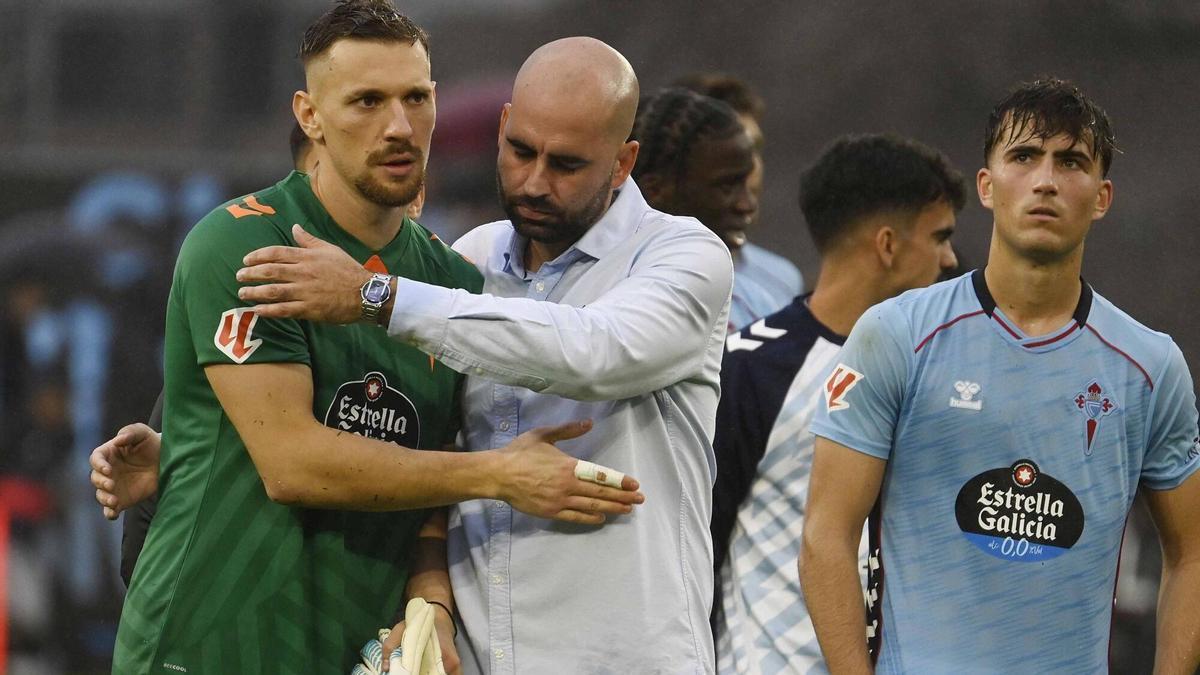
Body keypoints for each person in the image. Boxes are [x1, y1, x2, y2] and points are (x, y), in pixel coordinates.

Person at [96, 4, 642, 673]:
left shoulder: (452, 286)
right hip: (204, 646)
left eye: (416, 98)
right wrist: (499, 475)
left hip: (343, 653)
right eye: (367, 101)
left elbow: (430, 491)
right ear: (310, 115)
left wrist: (432, 601)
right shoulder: (244, 242)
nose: (399, 126)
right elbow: (292, 463)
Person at [235, 36, 733, 673]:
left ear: (623, 160)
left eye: (568, 164)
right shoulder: (467, 259)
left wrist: (377, 295)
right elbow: (404, 444)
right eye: (520, 150)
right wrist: (183, 458)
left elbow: (595, 351)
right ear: (502, 126)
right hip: (472, 658)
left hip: (622, 656)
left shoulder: (684, 258)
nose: (534, 181)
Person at [801, 78, 1200, 672]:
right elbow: (825, 537)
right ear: (986, 187)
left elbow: (1191, 553)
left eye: (1071, 162)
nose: (1045, 180)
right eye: (1023, 157)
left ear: (1102, 196)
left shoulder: (1150, 364)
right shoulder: (895, 335)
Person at [711, 133, 963, 673]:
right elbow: (694, 546)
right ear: (888, 245)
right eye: (939, 236)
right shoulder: (751, 368)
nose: (950, 258)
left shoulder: (951, 374)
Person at [675, 72, 803, 331]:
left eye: (755, 148)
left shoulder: (783, 279)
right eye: (734, 152)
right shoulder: (641, 273)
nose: (750, 166)